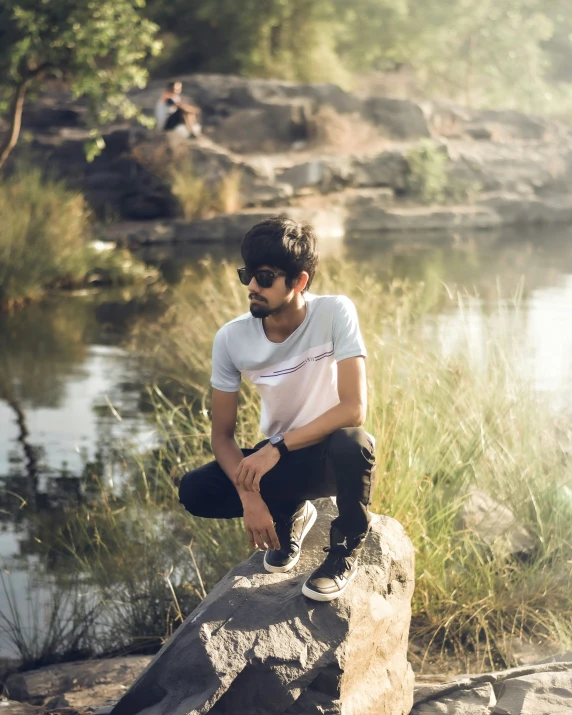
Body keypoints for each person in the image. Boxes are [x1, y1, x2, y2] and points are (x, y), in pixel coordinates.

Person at [178, 216, 376, 602]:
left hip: (325, 456)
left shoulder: (335, 312)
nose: (252, 286)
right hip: (277, 462)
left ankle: (344, 552)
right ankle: (291, 513)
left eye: (265, 277)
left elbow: (353, 409)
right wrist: (250, 496)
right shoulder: (231, 339)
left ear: (299, 282)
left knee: (355, 443)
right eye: (248, 275)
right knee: (194, 490)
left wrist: (277, 447)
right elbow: (221, 435)